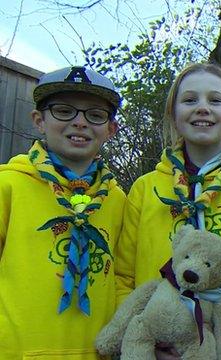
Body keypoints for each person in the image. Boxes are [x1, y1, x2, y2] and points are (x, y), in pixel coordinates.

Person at [116, 62, 221, 357]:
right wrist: (141, 339)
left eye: (215, 100)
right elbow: (124, 276)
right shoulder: (145, 188)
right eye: (190, 100)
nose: (202, 108)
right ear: (173, 115)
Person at [0, 66, 126, 358]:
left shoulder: (118, 201)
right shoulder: (9, 186)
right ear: (39, 120)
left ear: (111, 129)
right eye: (64, 111)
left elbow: (121, 280)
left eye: (95, 115)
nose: (80, 123)